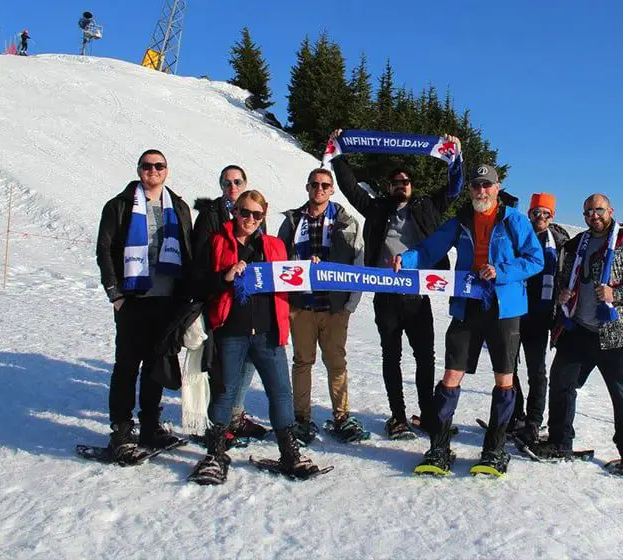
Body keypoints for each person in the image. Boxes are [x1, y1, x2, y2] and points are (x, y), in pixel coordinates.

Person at [394, 164, 543, 475]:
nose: (481, 191)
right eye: (476, 185)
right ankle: (439, 448)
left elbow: (535, 260)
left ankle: (494, 451)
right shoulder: (460, 221)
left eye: (487, 185)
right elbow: (429, 249)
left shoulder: (514, 220)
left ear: (497, 188)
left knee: (504, 378)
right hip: (467, 306)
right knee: (451, 374)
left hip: (505, 308)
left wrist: (501, 272)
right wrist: (404, 260)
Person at [329, 129, 462, 439]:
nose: (401, 186)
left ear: (411, 187)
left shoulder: (426, 207)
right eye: (396, 183)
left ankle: (428, 415)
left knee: (425, 357)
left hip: (417, 296)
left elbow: (454, 189)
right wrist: (338, 153)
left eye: (405, 182)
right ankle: (398, 417)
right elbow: (351, 189)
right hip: (386, 296)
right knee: (392, 356)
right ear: (388, 187)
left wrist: (456, 155)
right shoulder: (377, 209)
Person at [188, 190, 320, 484]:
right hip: (230, 331)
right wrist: (225, 276)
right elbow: (197, 282)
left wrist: (309, 268)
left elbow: (290, 279)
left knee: (280, 393)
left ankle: (289, 452)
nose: (249, 219)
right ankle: (215, 452)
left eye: (256, 215)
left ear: (264, 215)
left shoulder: (273, 245)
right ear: (235, 211)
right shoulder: (218, 242)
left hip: (267, 332)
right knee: (224, 393)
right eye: (244, 212)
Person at [535, 194, 623, 479]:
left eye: (599, 210)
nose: (594, 215)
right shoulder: (578, 244)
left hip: (620, 334)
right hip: (579, 329)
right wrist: (563, 292)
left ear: (611, 211)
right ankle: (559, 442)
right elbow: (565, 277)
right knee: (562, 384)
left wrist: (618, 293)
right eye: (588, 211)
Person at [95, 149, 193, 463]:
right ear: (139, 169)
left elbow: (188, 251)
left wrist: (186, 297)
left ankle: (150, 425)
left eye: (159, 165)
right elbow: (105, 249)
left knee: (155, 367)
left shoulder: (177, 206)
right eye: (147, 165)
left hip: (167, 300)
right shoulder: (120, 205)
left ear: (167, 171)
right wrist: (115, 294)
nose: (153, 170)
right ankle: (121, 432)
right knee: (126, 367)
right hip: (133, 300)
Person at [277, 167, 366, 445]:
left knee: (336, 363)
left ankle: (342, 416)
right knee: (303, 362)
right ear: (307, 187)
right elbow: (279, 261)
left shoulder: (347, 222)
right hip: (302, 305)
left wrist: (351, 303)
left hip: (334, 306)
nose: (319, 189)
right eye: (314, 184)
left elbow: (357, 263)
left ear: (332, 190)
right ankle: (301, 417)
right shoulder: (292, 221)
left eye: (325, 185)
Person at [191, 165, 268, 441]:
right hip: (218, 298)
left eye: (237, 181)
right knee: (220, 364)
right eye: (226, 182)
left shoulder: (255, 210)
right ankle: (216, 423)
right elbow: (201, 259)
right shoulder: (211, 215)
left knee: (247, 359)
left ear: (245, 183)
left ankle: (235, 414)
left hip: (248, 301)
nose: (232, 186)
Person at [509, 192, 569, 446]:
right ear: (529, 213)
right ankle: (515, 414)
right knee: (507, 368)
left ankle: (533, 421)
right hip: (513, 311)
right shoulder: (517, 236)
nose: (541, 218)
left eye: (546, 213)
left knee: (537, 371)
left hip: (541, 315)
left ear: (552, 216)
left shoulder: (559, 243)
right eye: (536, 213)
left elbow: (568, 273)